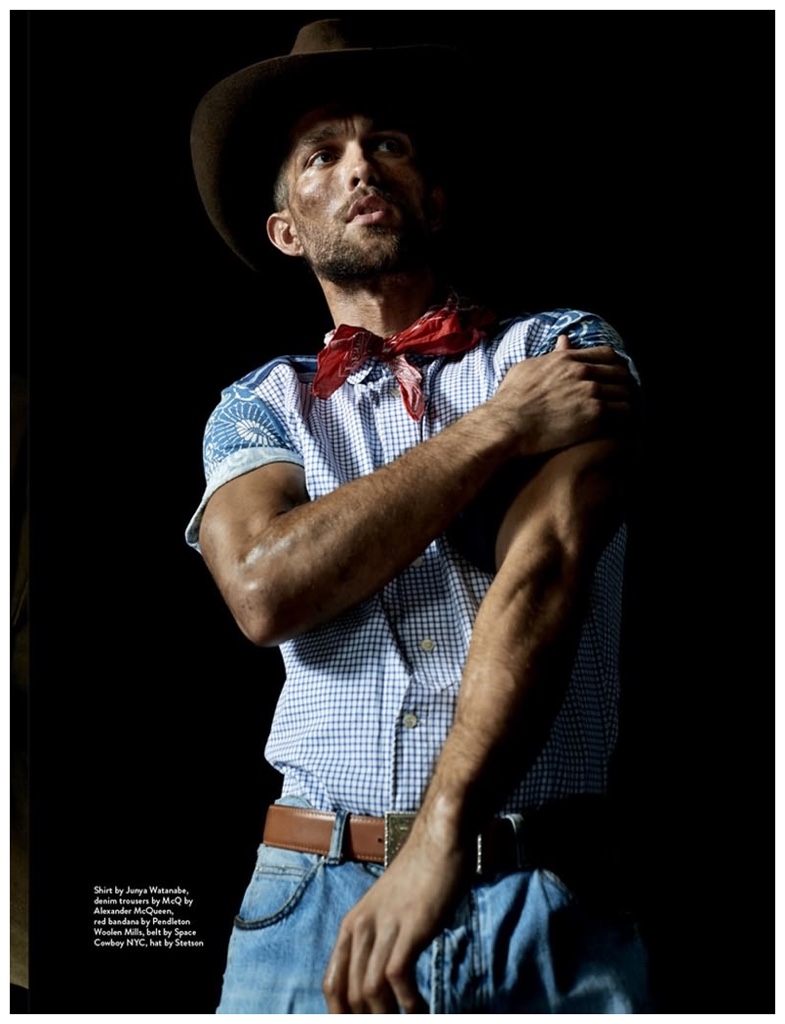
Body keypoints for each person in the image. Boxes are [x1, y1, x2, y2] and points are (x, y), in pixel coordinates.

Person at [186, 18, 650, 1014]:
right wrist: (498, 427)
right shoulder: (258, 406)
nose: (361, 166)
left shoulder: (562, 346)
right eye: (323, 154)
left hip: (547, 897)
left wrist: (439, 832)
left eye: (386, 144)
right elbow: (265, 590)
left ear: (432, 195)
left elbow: (548, 564)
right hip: (309, 902)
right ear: (286, 229)